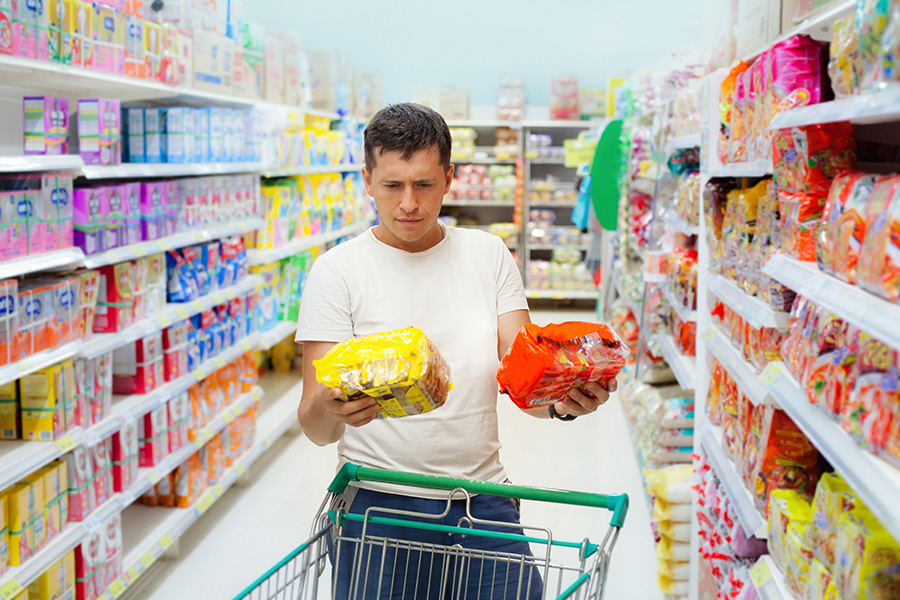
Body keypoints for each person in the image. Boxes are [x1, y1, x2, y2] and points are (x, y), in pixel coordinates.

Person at [295, 102, 617, 599]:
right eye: (392, 185)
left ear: (449, 178)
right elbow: (315, 428)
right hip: (378, 511)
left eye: (424, 185)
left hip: (483, 502)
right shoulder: (337, 272)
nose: (408, 203)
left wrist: (560, 402)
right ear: (366, 180)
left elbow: (522, 380)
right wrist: (331, 405)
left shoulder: (487, 255)